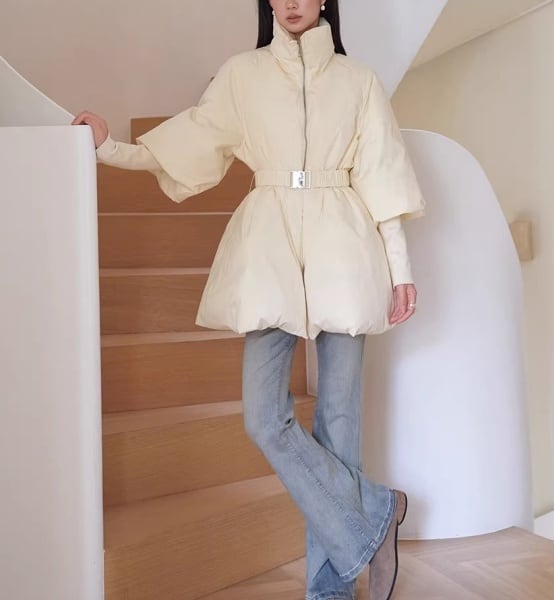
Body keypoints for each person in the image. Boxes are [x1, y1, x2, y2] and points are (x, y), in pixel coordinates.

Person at [73, 1, 425, 598]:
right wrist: (109, 148)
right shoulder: (243, 73)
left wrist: (401, 270)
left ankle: (330, 589)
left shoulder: (359, 80)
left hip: (346, 244)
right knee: (264, 417)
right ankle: (377, 509)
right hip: (269, 250)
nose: (291, 3)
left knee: (340, 423)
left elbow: (382, 175)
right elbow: (188, 142)